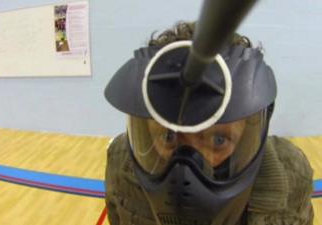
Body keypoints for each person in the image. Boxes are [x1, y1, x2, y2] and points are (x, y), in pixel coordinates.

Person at [104, 22, 314, 225]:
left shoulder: (292, 173)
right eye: (169, 137)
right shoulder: (120, 162)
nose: (186, 175)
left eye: (219, 139)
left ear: (247, 136)